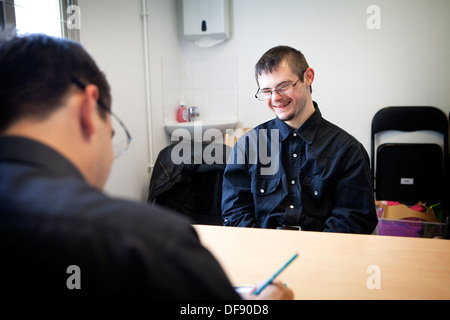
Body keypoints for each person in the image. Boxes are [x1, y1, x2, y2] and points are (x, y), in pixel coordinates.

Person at [0, 33, 293, 300]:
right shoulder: (149, 243)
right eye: (113, 134)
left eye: (282, 87)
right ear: (88, 110)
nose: (275, 98)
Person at [222, 45, 378, 233]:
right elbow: (235, 213)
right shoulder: (248, 146)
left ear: (308, 77)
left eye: (283, 86)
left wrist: (313, 253)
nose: (275, 98)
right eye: (266, 91)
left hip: (324, 254)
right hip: (262, 252)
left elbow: (354, 220)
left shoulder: (347, 151)